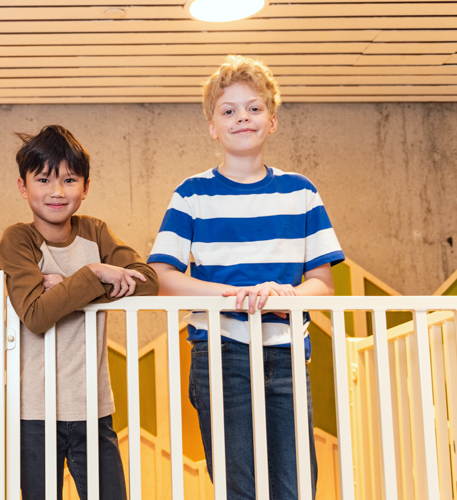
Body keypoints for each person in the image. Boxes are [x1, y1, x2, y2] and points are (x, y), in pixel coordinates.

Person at [148, 55, 344, 499]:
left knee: (295, 486)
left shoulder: (301, 192)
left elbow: (322, 284)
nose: (243, 118)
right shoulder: (192, 194)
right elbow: (164, 276)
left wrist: (285, 294)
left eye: (254, 109)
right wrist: (239, 296)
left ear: (272, 121)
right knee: (240, 486)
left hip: (288, 352)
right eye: (229, 111)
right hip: (221, 352)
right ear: (213, 127)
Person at [0, 125, 159, 500]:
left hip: (93, 407)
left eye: (69, 180)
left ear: (85, 187)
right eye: (43, 179)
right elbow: (35, 315)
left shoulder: (95, 232)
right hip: (34, 411)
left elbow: (147, 281)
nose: (57, 191)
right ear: (23, 186)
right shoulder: (18, 239)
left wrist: (69, 286)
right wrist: (94, 273)